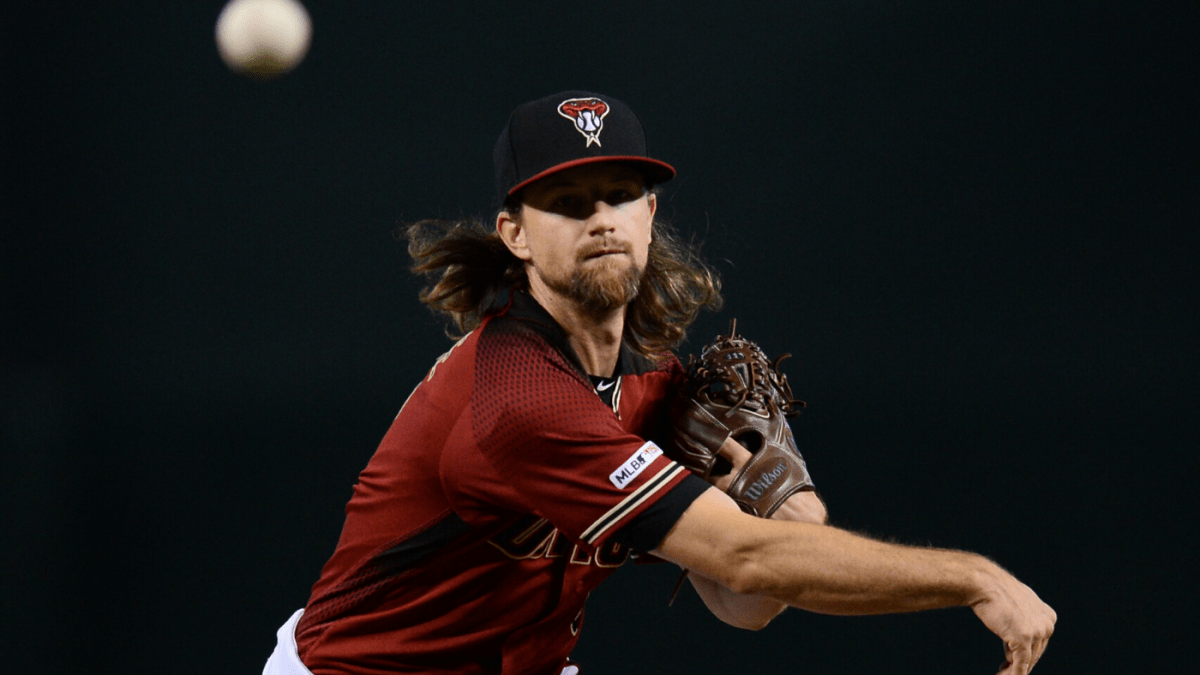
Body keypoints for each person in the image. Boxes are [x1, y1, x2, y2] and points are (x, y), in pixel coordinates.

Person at [263, 91, 1055, 675]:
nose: (600, 217)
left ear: (649, 214)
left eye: (619, 195)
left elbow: (744, 604)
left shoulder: (650, 384)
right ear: (516, 235)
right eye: (567, 202)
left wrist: (795, 509)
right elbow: (746, 561)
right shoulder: (517, 399)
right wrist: (972, 576)